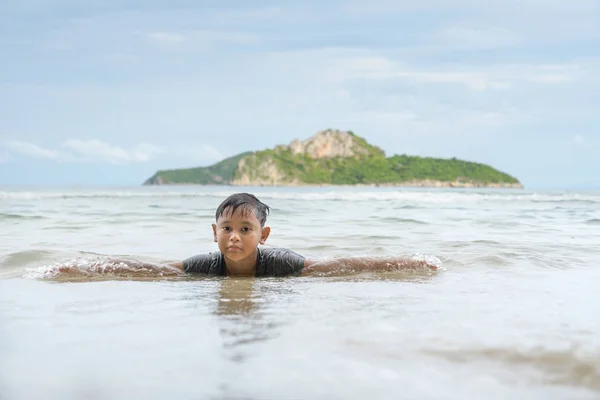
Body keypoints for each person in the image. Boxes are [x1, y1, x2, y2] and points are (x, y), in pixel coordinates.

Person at [56, 192, 438, 278]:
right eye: (226, 229)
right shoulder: (206, 265)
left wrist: (406, 262)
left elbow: (338, 267)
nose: (234, 237)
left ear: (263, 234)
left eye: (245, 229)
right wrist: (88, 268)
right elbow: (154, 270)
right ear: (214, 233)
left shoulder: (281, 262)